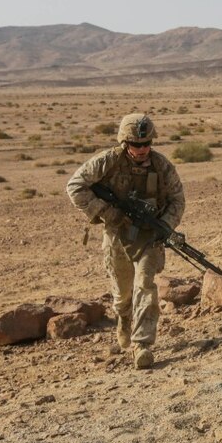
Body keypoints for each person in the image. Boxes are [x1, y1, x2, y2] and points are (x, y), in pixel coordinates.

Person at [66, 113, 185, 369]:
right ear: (124, 142)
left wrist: (164, 225)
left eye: (146, 144)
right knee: (122, 293)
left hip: (149, 235)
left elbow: (178, 199)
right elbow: (75, 186)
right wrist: (108, 212)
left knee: (145, 285)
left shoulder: (161, 166)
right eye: (135, 144)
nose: (142, 149)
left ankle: (142, 345)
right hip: (117, 233)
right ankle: (123, 319)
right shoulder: (107, 161)